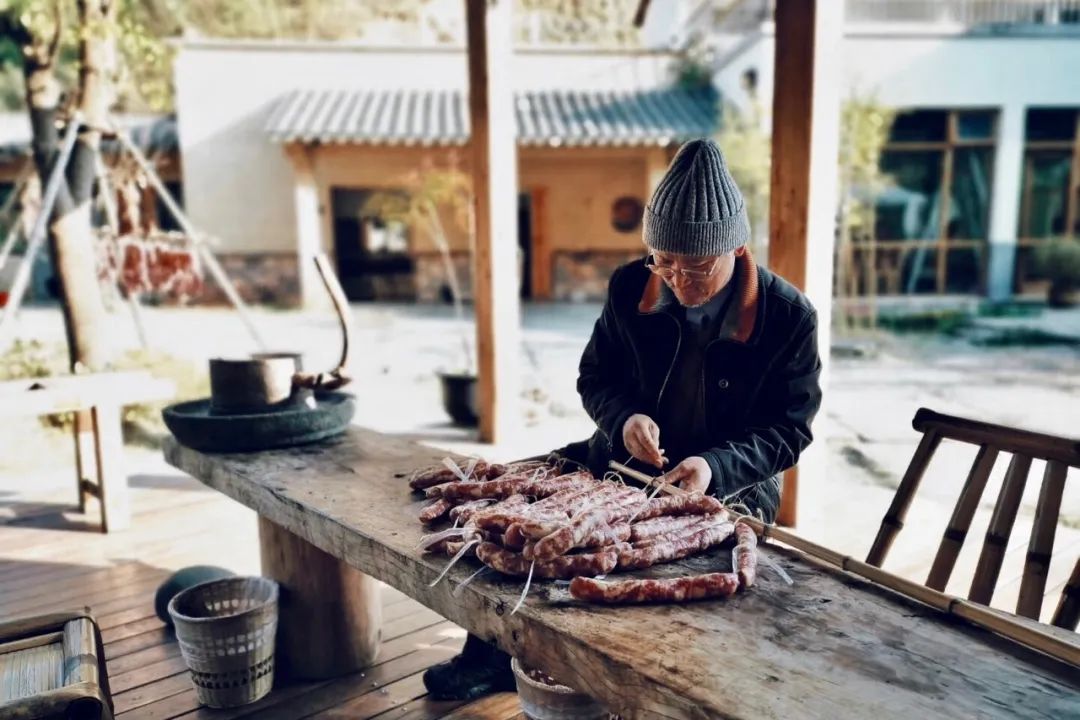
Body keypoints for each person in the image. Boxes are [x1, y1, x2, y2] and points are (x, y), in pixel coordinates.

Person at [422, 137, 823, 701]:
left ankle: (650, 690)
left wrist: (714, 466)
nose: (678, 280)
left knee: (649, 563)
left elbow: (791, 429)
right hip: (620, 460)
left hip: (730, 483)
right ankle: (492, 650)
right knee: (522, 516)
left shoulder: (787, 317)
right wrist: (624, 418)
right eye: (665, 261)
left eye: (696, 266)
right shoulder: (634, 284)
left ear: (736, 249)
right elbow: (595, 377)